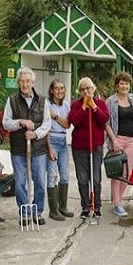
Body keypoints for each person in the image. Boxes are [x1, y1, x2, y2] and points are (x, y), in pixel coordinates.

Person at [3, 67, 51, 226]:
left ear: (33, 82)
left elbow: (47, 124)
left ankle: (37, 212)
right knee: (20, 182)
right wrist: (20, 122)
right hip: (18, 149)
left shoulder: (43, 101)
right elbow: (6, 123)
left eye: (27, 81)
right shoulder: (12, 100)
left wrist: (35, 134)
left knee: (39, 181)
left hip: (38, 149)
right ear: (18, 82)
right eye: (22, 81)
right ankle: (24, 213)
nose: (25, 84)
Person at [105, 72, 133, 217]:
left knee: (127, 173)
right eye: (121, 83)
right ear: (117, 86)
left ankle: (116, 199)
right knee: (116, 173)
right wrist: (114, 140)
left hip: (131, 140)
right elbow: (106, 122)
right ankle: (117, 203)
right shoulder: (110, 101)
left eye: (126, 83)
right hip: (117, 140)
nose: (124, 86)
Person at [68, 77, 109, 219]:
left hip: (96, 146)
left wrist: (94, 107)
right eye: (83, 89)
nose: (86, 91)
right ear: (79, 92)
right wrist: (84, 107)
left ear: (94, 88)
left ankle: (96, 206)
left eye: (88, 88)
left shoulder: (101, 103)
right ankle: (85, 206)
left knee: (96, 179)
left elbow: (104, 120)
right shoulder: (75, 105)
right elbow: (74, 121)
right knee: (83, 179)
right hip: (79, 147)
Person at [46, 79, 73, 221]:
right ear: (51, 90)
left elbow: (67, 125)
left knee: (65, 175)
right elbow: (45, 128)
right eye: (56, 88)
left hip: (63, 142)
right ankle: (53, 209)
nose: (60, 91)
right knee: (52, 176)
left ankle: (63, 207)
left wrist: (55, 116)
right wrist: (49, 148)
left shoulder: (66, 106)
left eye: (62, 88)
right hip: (51, 140)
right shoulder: (46, 105)